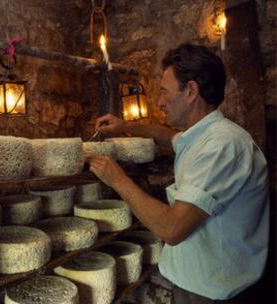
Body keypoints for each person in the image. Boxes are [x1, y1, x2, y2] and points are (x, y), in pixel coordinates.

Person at [87, 43, 269, 304]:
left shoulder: (222, 145)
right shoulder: (204, 135)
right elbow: (171, 137)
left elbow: (172, 229)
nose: (159, 102)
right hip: (196, 281)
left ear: (191, 91)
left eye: (164, 92)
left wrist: (117, 179)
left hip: (211, 293)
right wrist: (125, 125)